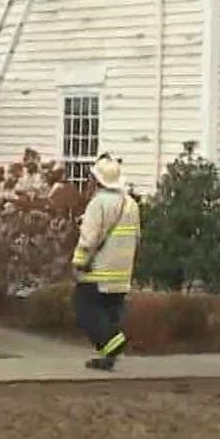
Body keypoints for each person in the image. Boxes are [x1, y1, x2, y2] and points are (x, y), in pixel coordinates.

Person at [71, 154, 140, 372]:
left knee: (84, 307)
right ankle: (107, 358)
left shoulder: (98, 203)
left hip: (99, 271)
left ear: (98, 180)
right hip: (122, 272)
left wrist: (79, 262)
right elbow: (137, 237)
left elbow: (89, 238)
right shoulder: (131, 204)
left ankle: (114, 343)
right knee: (110, 312)